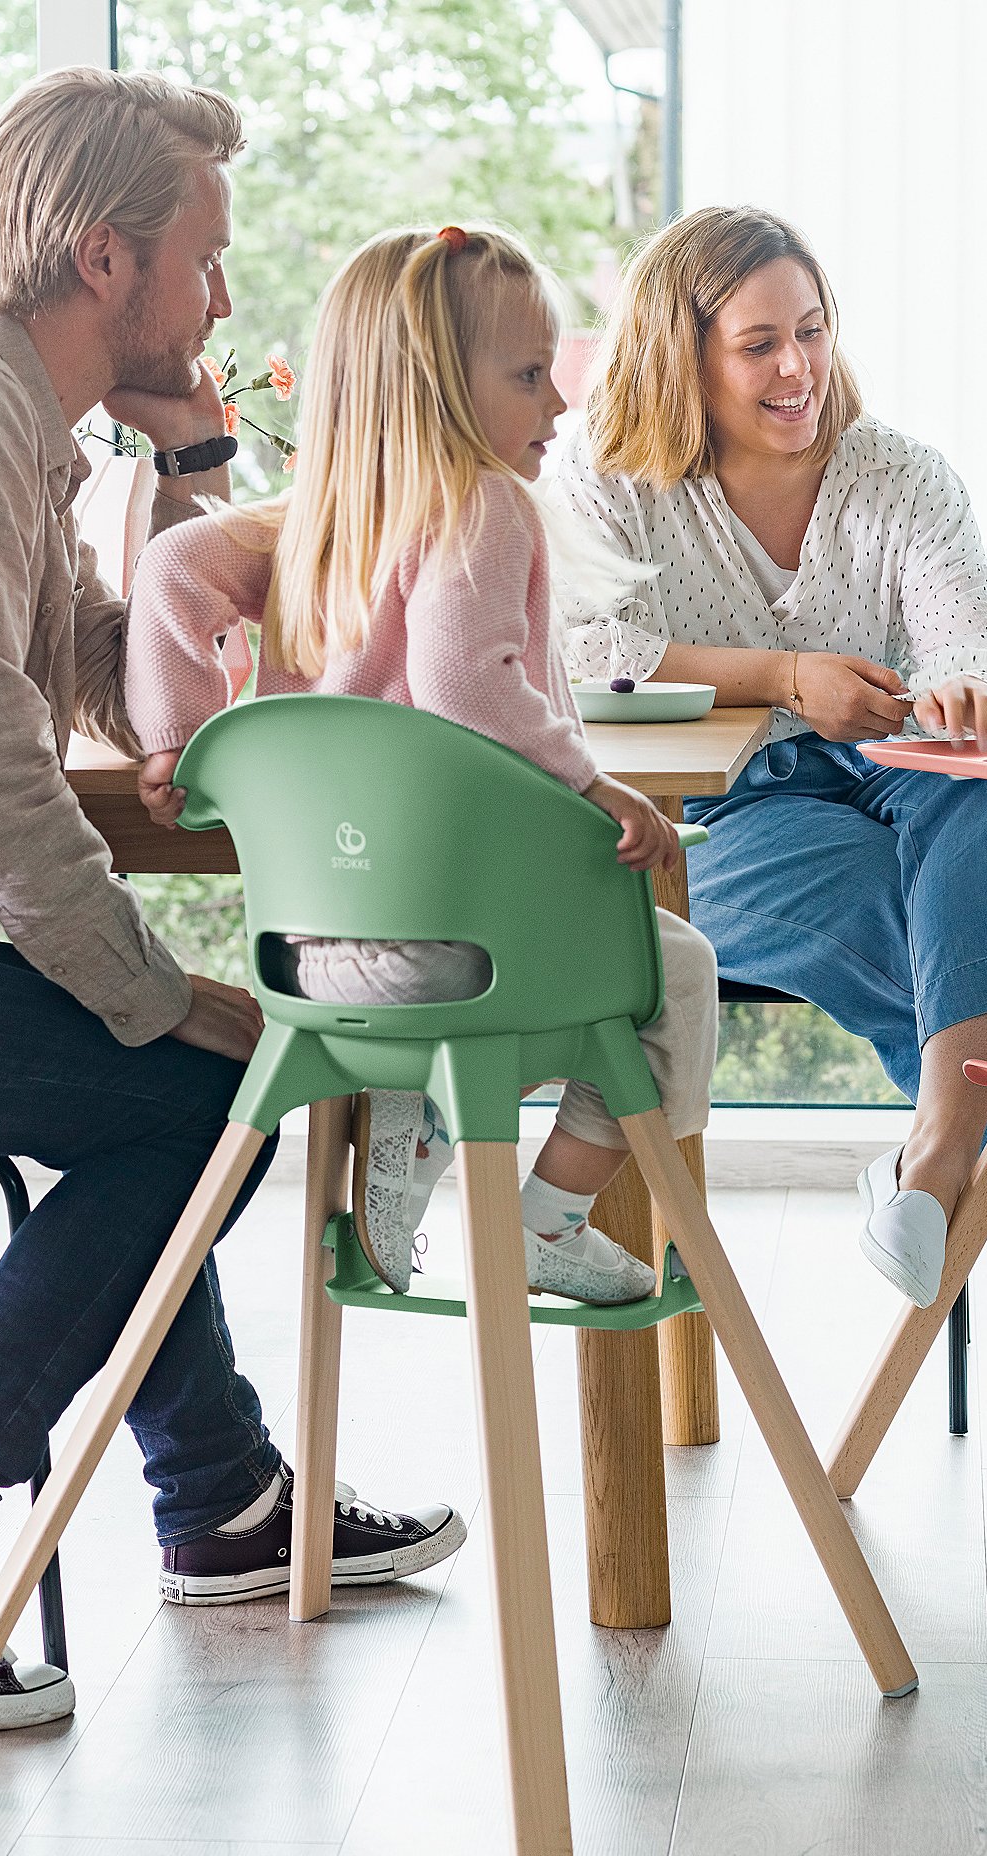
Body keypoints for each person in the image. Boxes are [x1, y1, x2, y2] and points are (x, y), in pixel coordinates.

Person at [553, 206, 987, 1450]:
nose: (799, 371)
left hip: (907, 777)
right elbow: (579, 654)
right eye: (759, 345)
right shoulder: (603, 478)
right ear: (683, 355)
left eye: (814, 333)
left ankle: (935, 1163)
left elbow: (979, 637)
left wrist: (968, 689)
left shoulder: (895, 471)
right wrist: (784, 677)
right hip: (724, 818)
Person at [0, 73, 463, 1732]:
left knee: (193, 1085)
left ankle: (222, 1504)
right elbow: (1, 778)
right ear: (107, 261)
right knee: (201, 1088)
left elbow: (130, 690)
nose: (224, 297)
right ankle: (211, 1497)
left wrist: (192, 462)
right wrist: (146, 986)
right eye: (207, 257)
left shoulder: (34, 440)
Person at [125, 224, 719, 1307]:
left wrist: (176, 733)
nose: (559, 406)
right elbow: (469, 686)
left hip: (314, 957)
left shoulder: (308, 526)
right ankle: (550, 1217)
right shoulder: (484, 505)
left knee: (564, 966)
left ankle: (421, 1106)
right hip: (464, 955)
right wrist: (591, 787)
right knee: (672, 971)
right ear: (441, 388)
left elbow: (171, 565)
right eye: (531, 376)